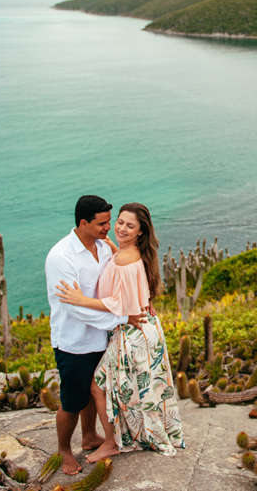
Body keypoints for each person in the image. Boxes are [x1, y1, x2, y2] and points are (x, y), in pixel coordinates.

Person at [56, 202, 185, 463]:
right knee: (136, 387)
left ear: (141, 231)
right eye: (120, 222)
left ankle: (112, 443)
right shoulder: (131, 252)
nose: (121, 228)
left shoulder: (125, 259)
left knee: (97, 386)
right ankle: (117, 435)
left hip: (131, 331)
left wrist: (82, 300)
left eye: (130, 225)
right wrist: (114, 246)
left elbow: (118, 303)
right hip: (143, 327)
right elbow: (122, 271)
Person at [46, 195, 145, 475]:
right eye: (102, 223)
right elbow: (76, 310)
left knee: (95, 390)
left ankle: (89, 436)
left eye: (109, 222)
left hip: (102, 337)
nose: (108, 228)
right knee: (72, 400)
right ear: (83, 223)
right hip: (74, 341)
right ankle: (64, 450)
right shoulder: (60, 257)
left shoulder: (102, 247)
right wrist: (123, 317)